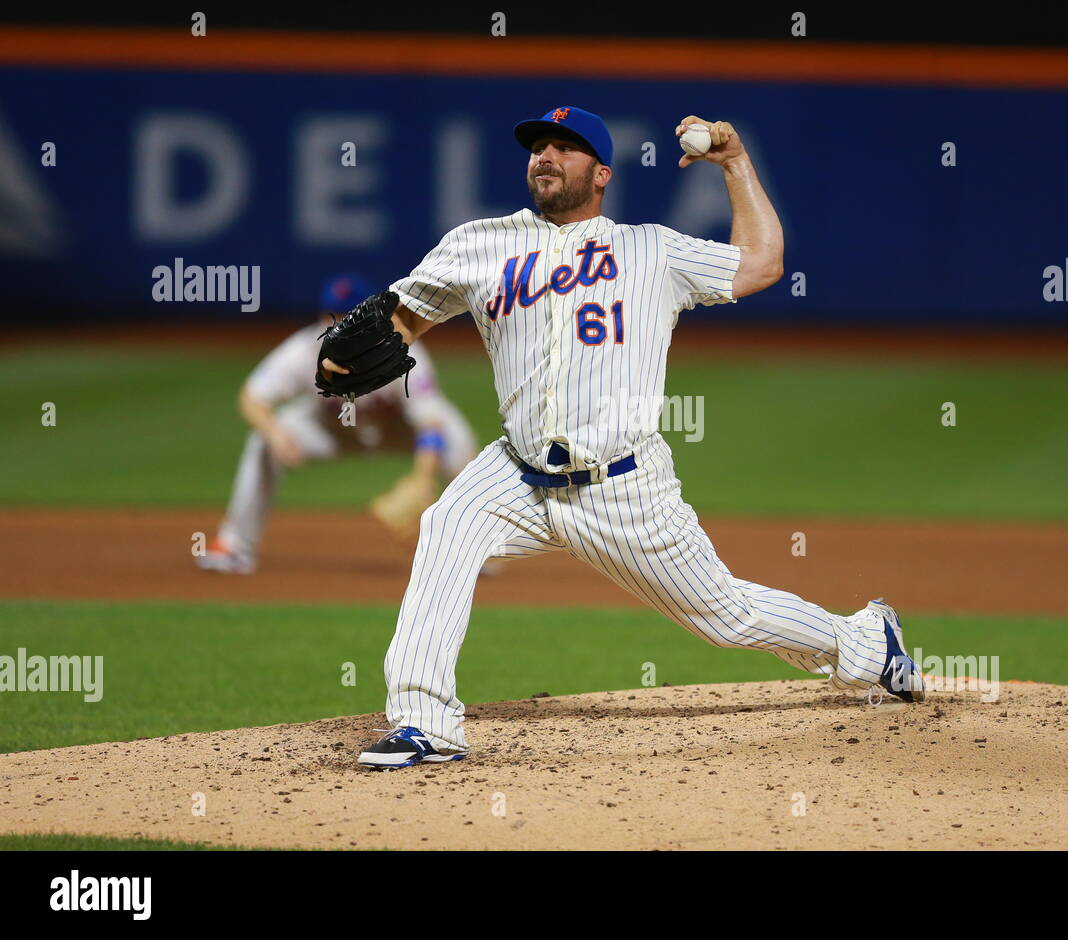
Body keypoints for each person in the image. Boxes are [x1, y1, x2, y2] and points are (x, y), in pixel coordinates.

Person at [320, 107, 926, 770]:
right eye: (538, 147)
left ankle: (867, 640)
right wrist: (347, 360)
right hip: (516, 472)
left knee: (727, 618)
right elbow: (397, 323)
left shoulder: (651, 251)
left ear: (602, 172)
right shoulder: (478, 243)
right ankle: (425, 724)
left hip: (622, 486)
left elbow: (762, 263)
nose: (546, 157)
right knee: (446, 528)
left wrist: (735, 163)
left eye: (566, 148)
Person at [196, 275, 479, 574]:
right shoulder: (304, 350)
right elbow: (252, 397)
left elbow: (430, 423)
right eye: (334, 314)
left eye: (349, 314)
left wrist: (423, 478)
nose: (340, 322)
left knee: (457, 441)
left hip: (397, 432)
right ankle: (234, 546)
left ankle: (470, 551)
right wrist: (275, 434)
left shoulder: (401, 347)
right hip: (330, 431)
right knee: (262, 442)